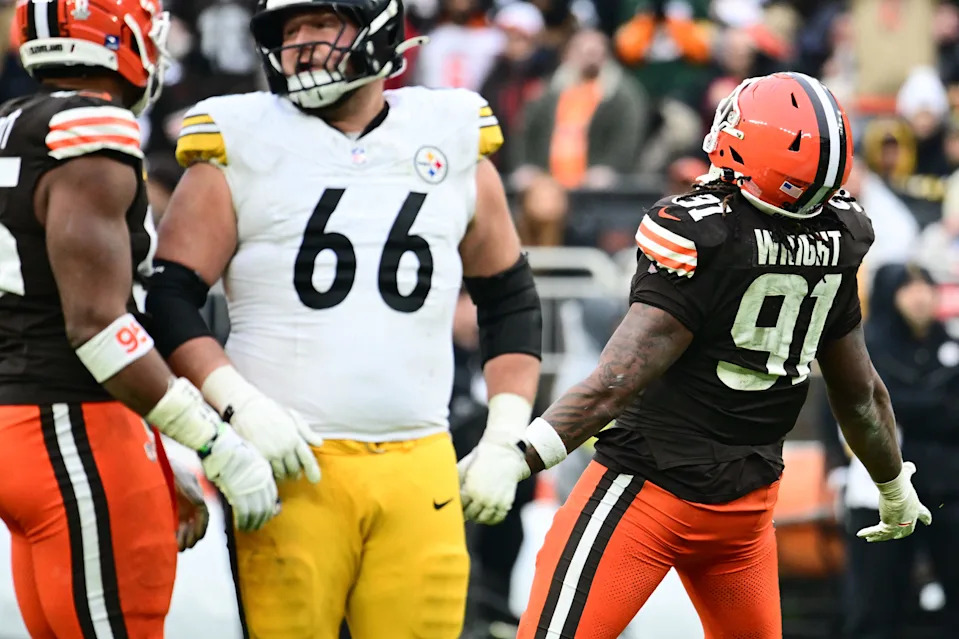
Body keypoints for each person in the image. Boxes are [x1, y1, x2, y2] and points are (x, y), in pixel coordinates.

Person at [461, 72, 934, 639]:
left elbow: (619, 379)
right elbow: (860, 394)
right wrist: (891, 483)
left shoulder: (703, 230)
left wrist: (519, 455)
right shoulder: (840, 235)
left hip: (647, 493)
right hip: (748, 511)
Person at [144, 0, 543, 637]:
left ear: (381, 26)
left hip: (420, 460)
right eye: (289, 30)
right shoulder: (240, 136)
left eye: (321, 24)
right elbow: (168, 298)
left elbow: (509, 298)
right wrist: (237, 408)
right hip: (289, 465)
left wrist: (504, 435)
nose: (300, 43)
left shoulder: (450, 130)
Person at [0, 1, 279, 637]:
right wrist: (215, 444)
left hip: (21, 425)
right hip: (78, 430)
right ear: (119, 38)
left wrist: (156, 452)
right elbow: (98, 326)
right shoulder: (91, 130)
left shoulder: (13, 123)